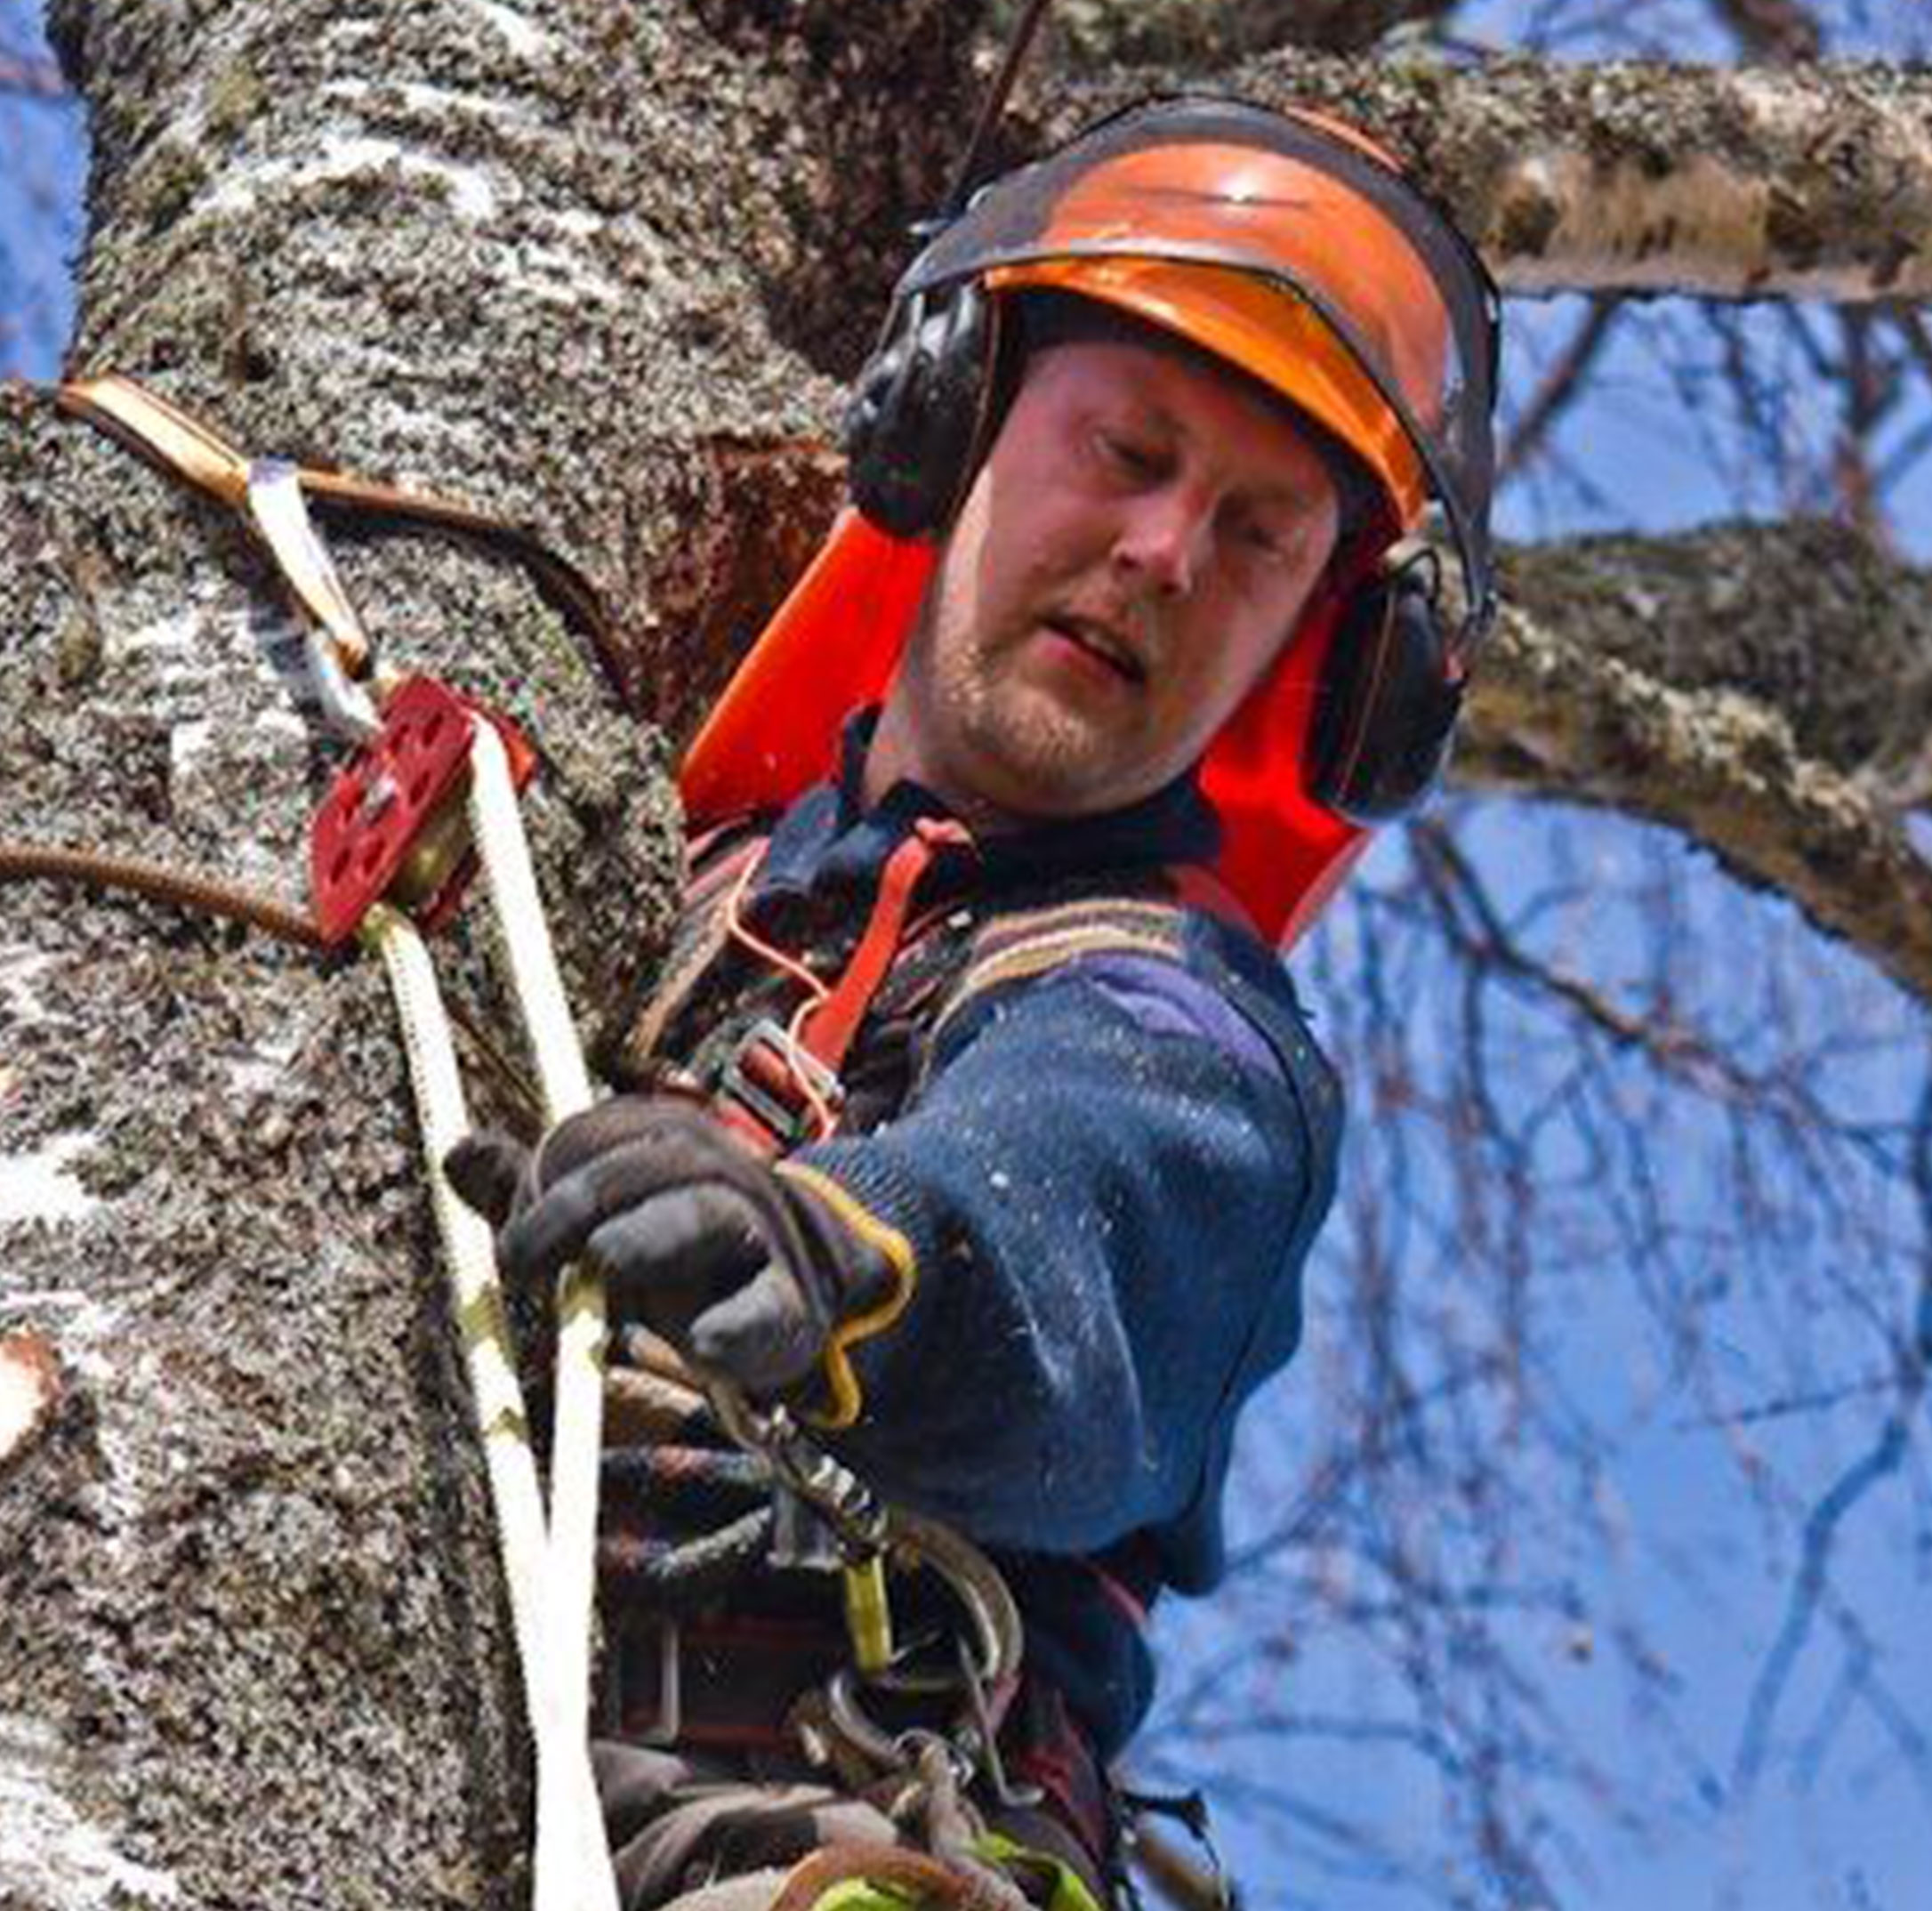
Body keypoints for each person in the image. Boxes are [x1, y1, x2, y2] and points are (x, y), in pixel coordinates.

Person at [451, 94, 1500, 1911]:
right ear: (954, 430)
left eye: (1257, 536)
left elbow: (1081, 1219)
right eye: (1129, 450)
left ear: (1314, 658)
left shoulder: (1184, 1021)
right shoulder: (670, 876)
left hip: (806, 1823)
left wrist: (860, 1256)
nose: (1166, 552)